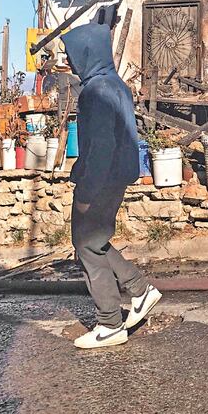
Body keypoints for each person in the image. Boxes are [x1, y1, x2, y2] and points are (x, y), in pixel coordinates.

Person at [61, 22, 162, 349]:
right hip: (116, 176)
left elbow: (101, 146)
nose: (72, 62)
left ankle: (109, 324)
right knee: (98, 240)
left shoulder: (96, 91)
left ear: (86, 54)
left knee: (87, 245)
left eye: (73, 55)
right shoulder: (116, 84)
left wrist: (86, 191)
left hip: (100, 180)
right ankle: (140, 289)